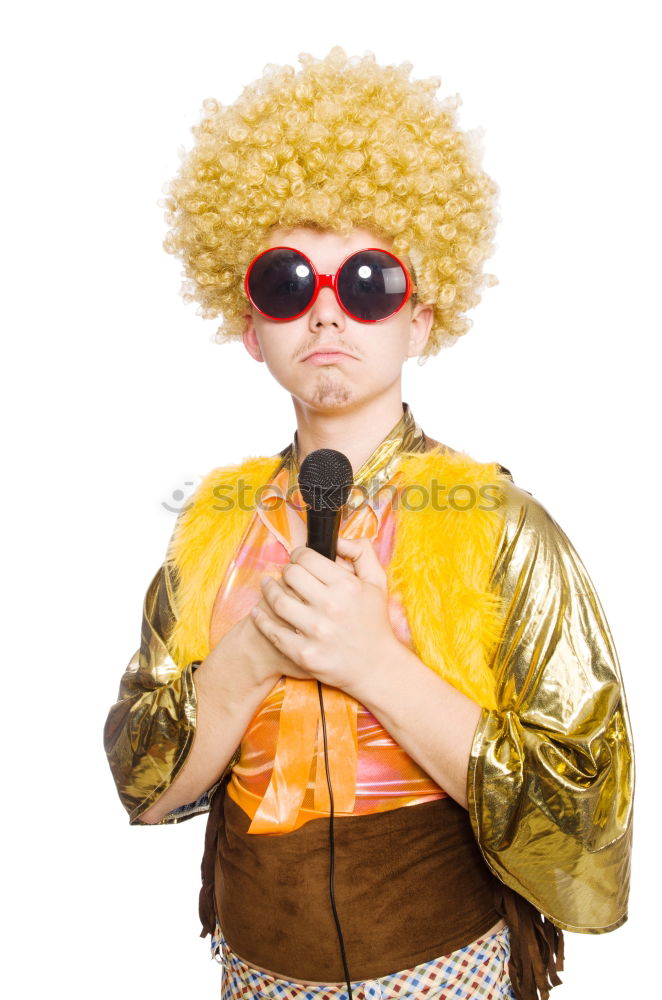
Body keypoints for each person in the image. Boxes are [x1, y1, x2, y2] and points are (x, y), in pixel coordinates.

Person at [103, 47, 634, 1000]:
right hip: (257, 976)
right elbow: (146, 791)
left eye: (370, 282)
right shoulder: (211, 533)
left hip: (451, 970)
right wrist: (251, 657)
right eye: (285, 282)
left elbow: (588, 823)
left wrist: (373, 664)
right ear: (249, 323)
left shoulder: (502, 529)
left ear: (422, 317)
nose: (326, 314)